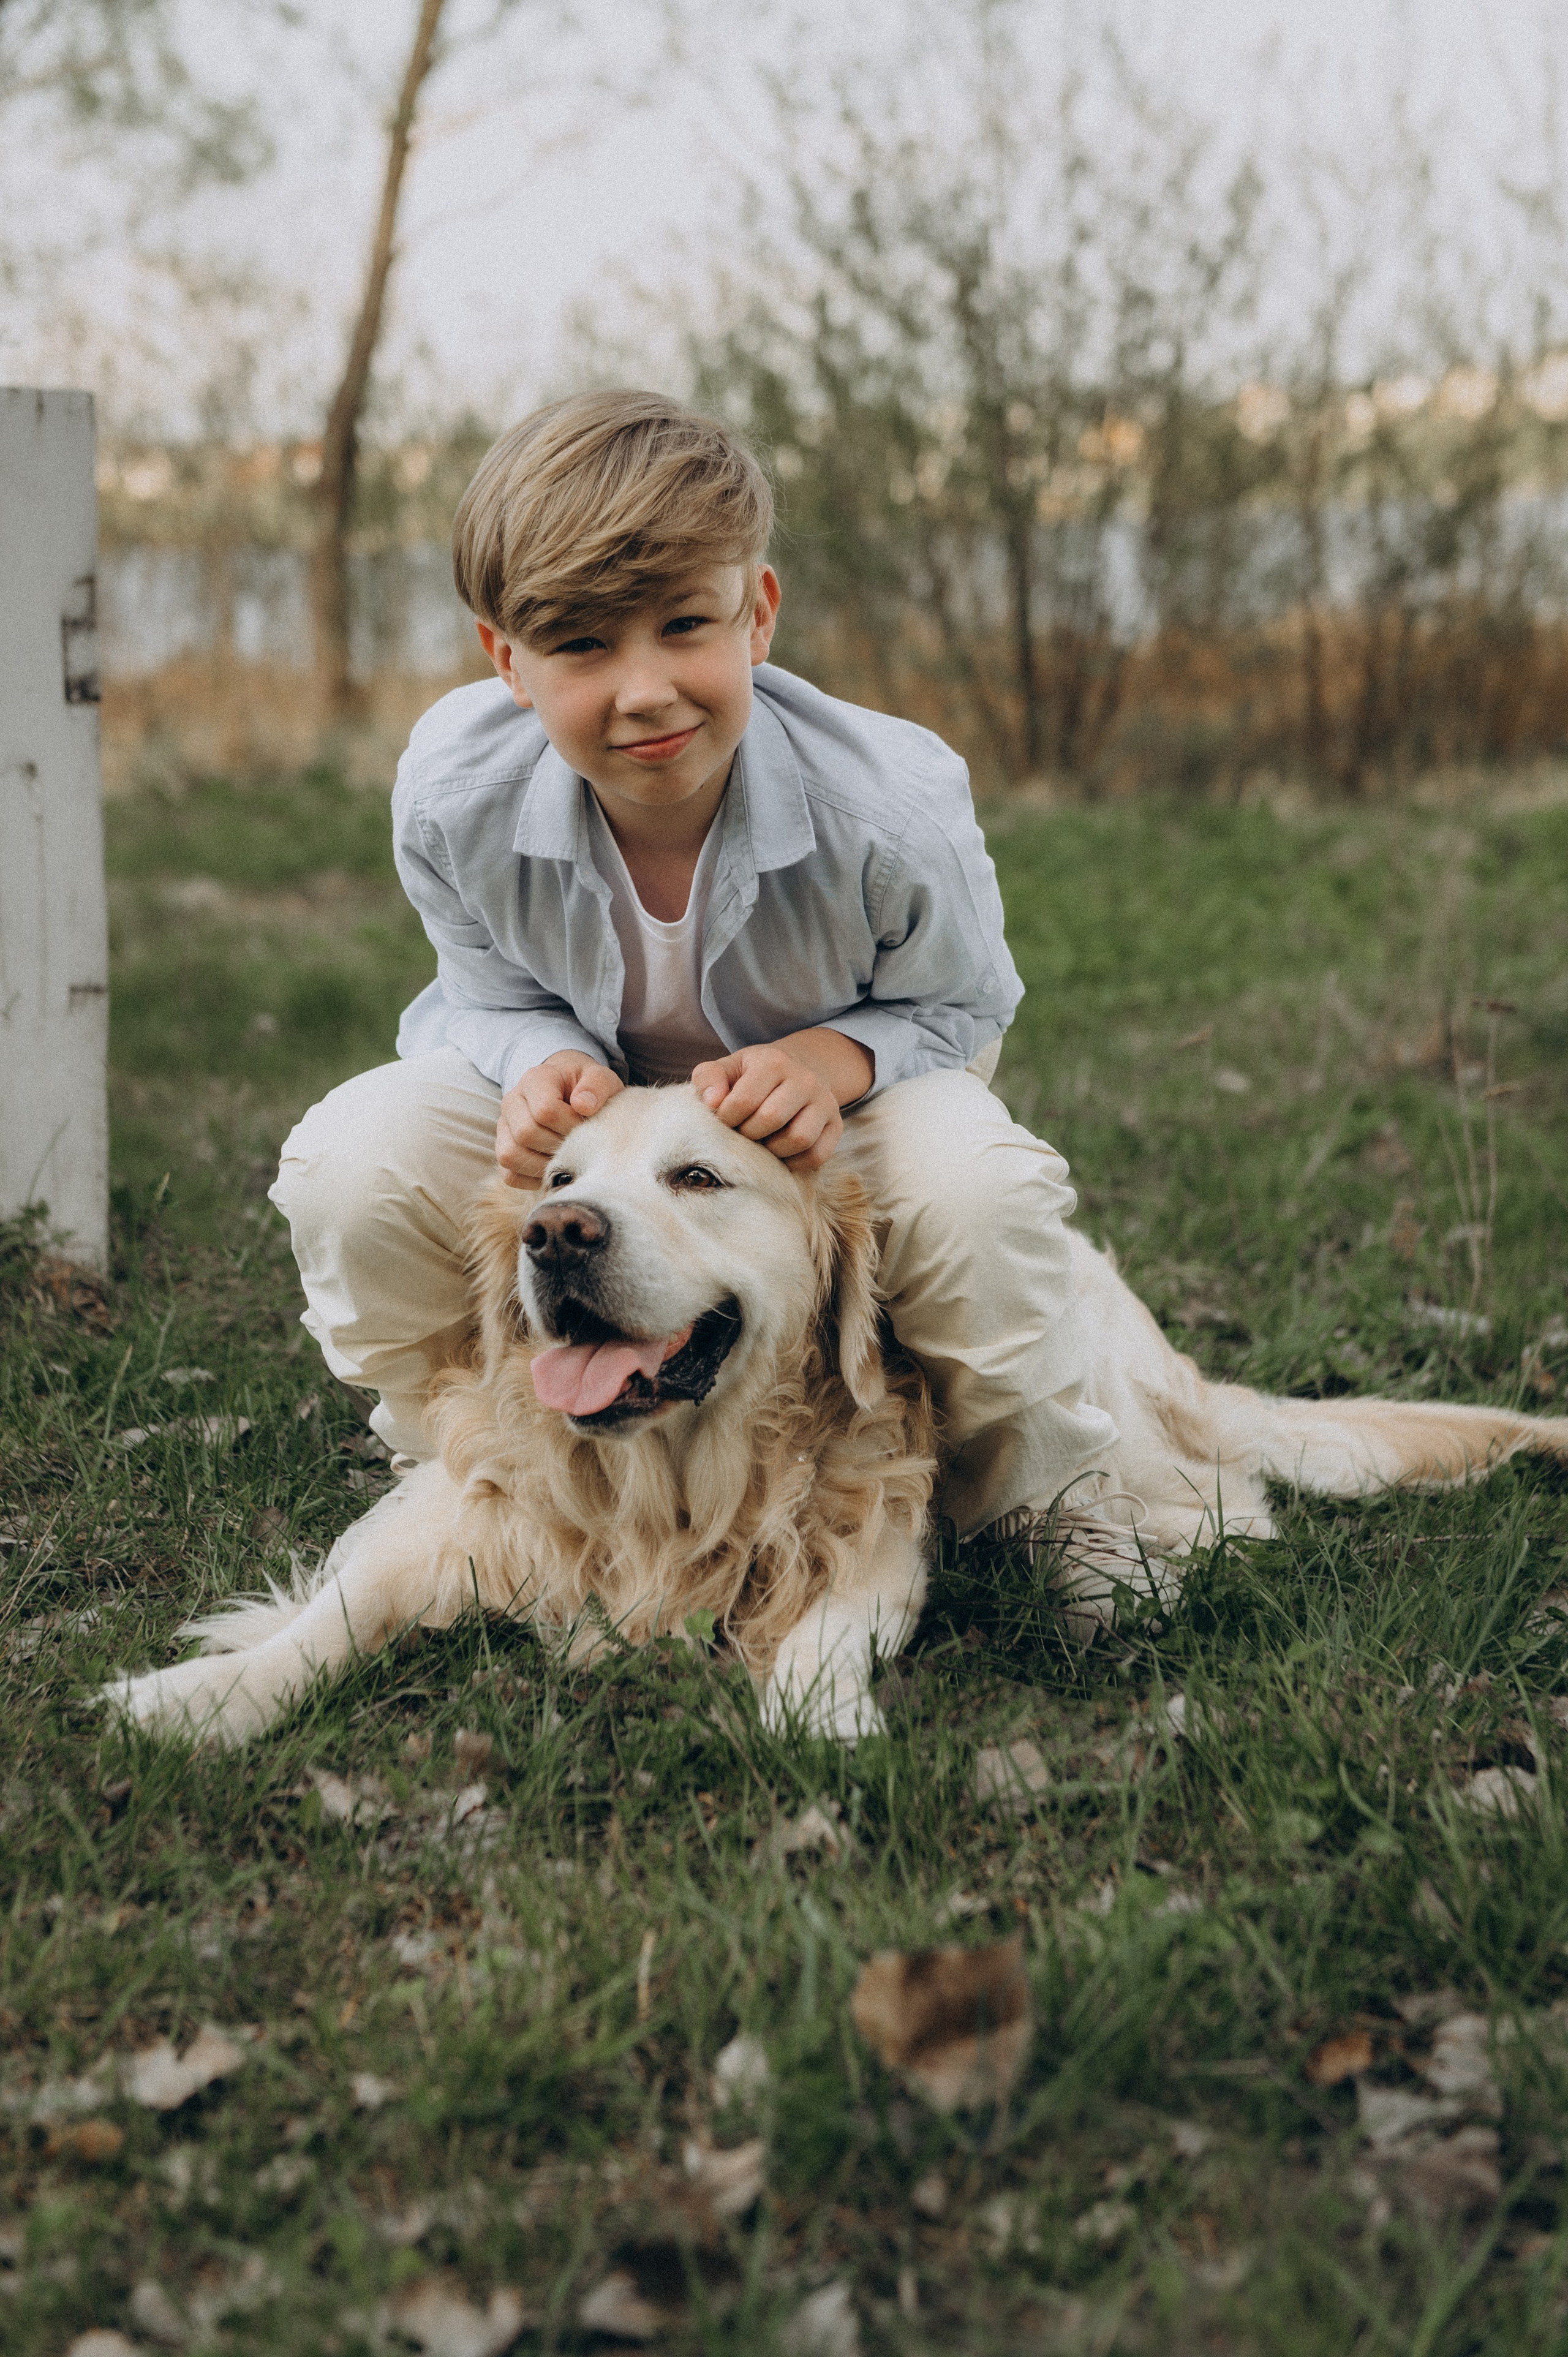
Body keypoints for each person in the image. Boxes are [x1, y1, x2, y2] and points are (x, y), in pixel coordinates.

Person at [270, 388, 1127, 1561]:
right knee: (352, 1161)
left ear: (757, 615)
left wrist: (828, 1062)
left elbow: (966, 1005)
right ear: (507, 659)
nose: (645, 691)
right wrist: (540, 1060)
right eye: (582, 645)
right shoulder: (451, 794)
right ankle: (469, 1465)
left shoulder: (891, 809)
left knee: (978, 1196)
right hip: (591, 1127)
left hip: (831, 1115)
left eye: (684, 625)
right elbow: (482, 990)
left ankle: (1030, 1505)